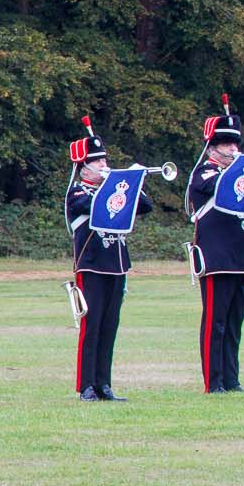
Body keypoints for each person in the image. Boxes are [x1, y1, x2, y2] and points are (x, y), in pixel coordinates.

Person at [65, 118, 151, 401]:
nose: (103, 165)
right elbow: (95, 206)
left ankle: (104, 383)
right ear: (83, 166)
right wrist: (117, 184)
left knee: (109, 326)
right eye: (97, 161)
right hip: (91, 264)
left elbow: (145, 206)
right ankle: (86, 385)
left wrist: (132, 183)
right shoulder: (77, 192)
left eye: (104, 160)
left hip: (116, 265)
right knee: (92, 326)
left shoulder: (114, 189)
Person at [187, 95, 244, 394]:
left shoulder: (242, 168)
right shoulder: (204, 172)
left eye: (236, 144)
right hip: (217, 257)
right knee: (215, 323)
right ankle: (214, 381)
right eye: (227, 145)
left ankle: (231, 380)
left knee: (234, 325)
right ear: (213, 147)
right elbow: (220, 188)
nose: (234, 149)